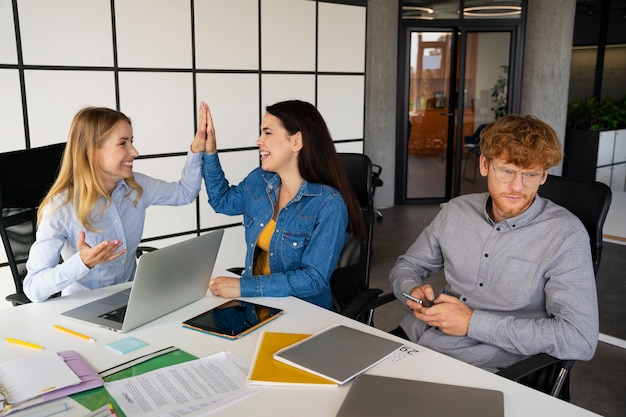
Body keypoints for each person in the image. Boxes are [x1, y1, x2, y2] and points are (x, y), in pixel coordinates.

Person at [389, 114, 599, 373]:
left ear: (544, 175)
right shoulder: (456, 211)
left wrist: (472, 324)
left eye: (530, 174)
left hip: (481, 366)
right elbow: (408, 265)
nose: (517, 186)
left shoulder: (565, 235)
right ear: (485, 164)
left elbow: (579, 338)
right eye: (507, 171)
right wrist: (411, 290)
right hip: (411, 339)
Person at [23, 105, 207, 302]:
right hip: (83, 307)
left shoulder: (136, 187)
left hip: (132, 301)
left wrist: (196, 149)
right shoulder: (61, 207)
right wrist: (82, 262)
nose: (134, 151)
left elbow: (185, 193)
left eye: (132, 142)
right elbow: (33, 288)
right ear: (92, 151)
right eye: (123, 143)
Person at [199, 100, 363, 310]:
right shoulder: (260, 180)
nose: (259, 140)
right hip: (253, 305)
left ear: (297, 141)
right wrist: (210, 152)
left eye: (267, 133)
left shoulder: (329, 204)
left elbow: (313, 279)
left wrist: (244, 286)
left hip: (303, 313)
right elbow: (222, 202)